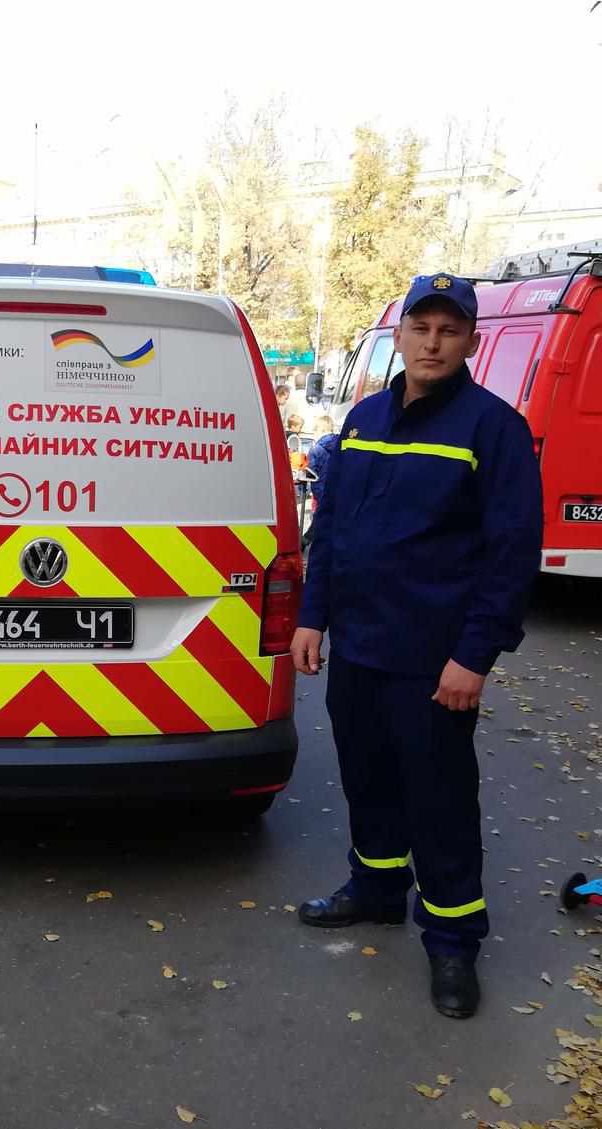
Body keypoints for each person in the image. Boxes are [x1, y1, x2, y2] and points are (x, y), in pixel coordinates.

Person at [291, 273, 543, 1020]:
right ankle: (374, 891)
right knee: (367, 781)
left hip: (435, 663)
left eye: (449, 330)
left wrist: (475, 656)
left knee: (438, 802)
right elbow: (331, 529)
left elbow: (512, 552)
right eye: (420, 328)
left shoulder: (494, 428)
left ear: (471, 339)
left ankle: (454, 942)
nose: (432, 342)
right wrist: (314, 615)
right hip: (360, 650)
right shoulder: (366, 417)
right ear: (399, 335)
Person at [300, 415, 336, 549]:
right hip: (337, 488)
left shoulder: (316, 449)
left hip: (321, 489)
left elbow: (310, 470)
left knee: (320, 516)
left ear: (319, 430)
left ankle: (306, 540)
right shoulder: (340, 445)